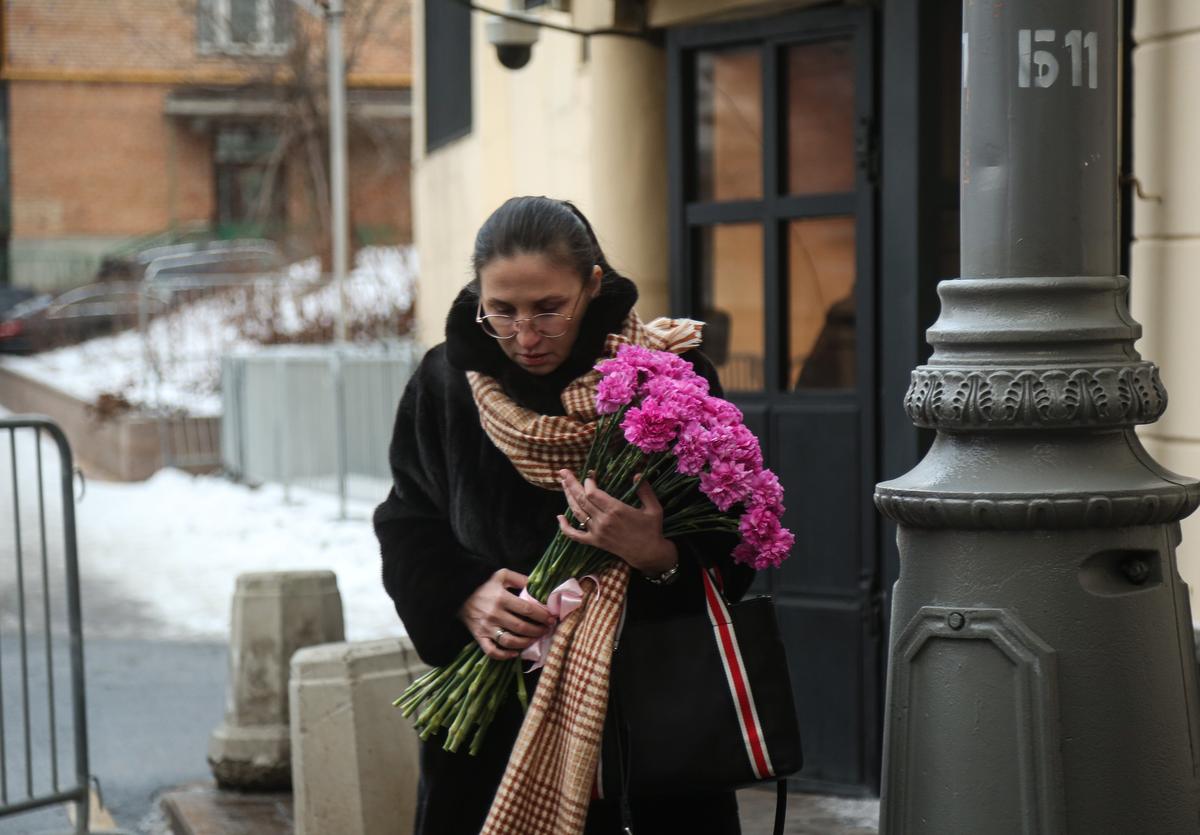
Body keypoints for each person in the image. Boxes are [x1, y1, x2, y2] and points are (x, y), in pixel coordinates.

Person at [374, 196, 753, 834]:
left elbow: (736, 548)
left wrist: (656, 556)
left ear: (592, 285)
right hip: (489, 731)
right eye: (502, 310)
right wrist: (463, 594)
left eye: (550, 308)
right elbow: (407, 521)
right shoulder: (445, 382)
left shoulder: (671, 381)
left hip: (646, 725)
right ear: (478, 296)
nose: (525, 336)